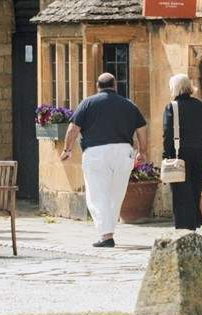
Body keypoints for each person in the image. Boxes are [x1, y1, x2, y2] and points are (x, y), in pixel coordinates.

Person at [59, 72, 148, 248]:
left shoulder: (88, 103)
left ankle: (106, 235)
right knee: (116, 194)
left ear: (97, 86)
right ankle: (108, 232)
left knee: (97, 194)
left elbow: (72, 129)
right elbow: (142, 129)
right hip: (123, 152)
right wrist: (142, 151)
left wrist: (67, 149)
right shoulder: (129, 105)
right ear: (115, 85)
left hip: (96, 153)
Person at [161, 73, 202, 233]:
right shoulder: (201, 106)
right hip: (199, 152)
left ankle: (184, 226)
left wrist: (166, 155)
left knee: (180, 191)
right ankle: (194, 223)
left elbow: (167, 133)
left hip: (179, 153)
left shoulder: (172, 107)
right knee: (195, 188)